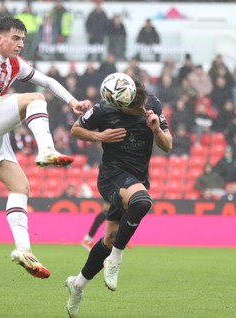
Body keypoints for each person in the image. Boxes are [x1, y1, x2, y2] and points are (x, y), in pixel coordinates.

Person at [0, 17, 90, 279]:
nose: (20, 44)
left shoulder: (15, 65)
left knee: (20, 187)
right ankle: (46, 149)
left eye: (23, 40)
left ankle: (23, 249)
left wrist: (72, 101)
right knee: (35, 98)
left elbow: (48, 80)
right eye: (15, 38)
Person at [65, 76, 172, 317]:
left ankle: (77, 285)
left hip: (137, 179)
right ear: (120, 105)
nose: (140, 112)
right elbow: (75, 130)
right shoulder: (103, 109)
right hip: (111, 176)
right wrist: (100, 137)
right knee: (143, 202)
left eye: (141, 108)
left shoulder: (153, 105)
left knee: (110, 238)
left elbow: (168, 146)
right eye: (134, 111)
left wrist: (155, 129)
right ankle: (115, 259)